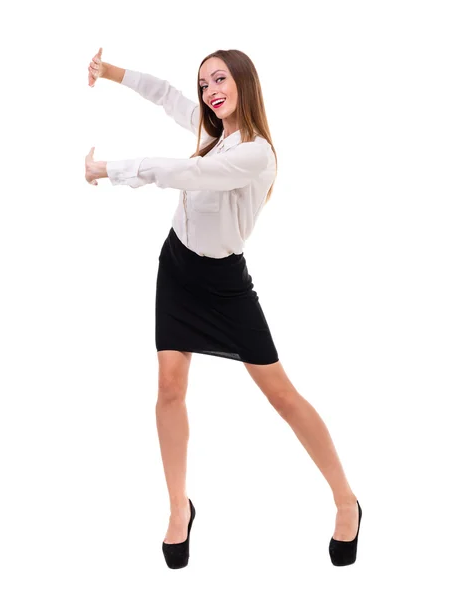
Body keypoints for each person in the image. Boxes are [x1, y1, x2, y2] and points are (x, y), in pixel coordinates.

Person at [85, 47, 362, 569]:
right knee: (169, 387)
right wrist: (112, 73)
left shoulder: (256, 153)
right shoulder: (212, 134)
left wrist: (107, 169)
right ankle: (177, 509)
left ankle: (346, 500)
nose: (210, 90)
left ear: (243, 82)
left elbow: (187, 175)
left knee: (281, 396)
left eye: (219, 79)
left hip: (224, 286)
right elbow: (166, 94)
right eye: (204, 82)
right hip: (177, 268)